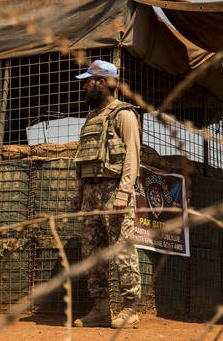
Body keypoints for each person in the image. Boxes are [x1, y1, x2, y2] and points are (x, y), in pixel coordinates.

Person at [71, 60, 142, 329]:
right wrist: (79, 193)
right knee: (91, 252)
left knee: (122, 249)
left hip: (114, 192)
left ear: (101, 83)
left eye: (87, 81)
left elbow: (132, 157)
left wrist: (124, 192)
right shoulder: (91, 118)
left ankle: (130, 309)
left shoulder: (123, 115)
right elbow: (82, 160)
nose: (84, 86)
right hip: (91, 193)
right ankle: (101, 308)